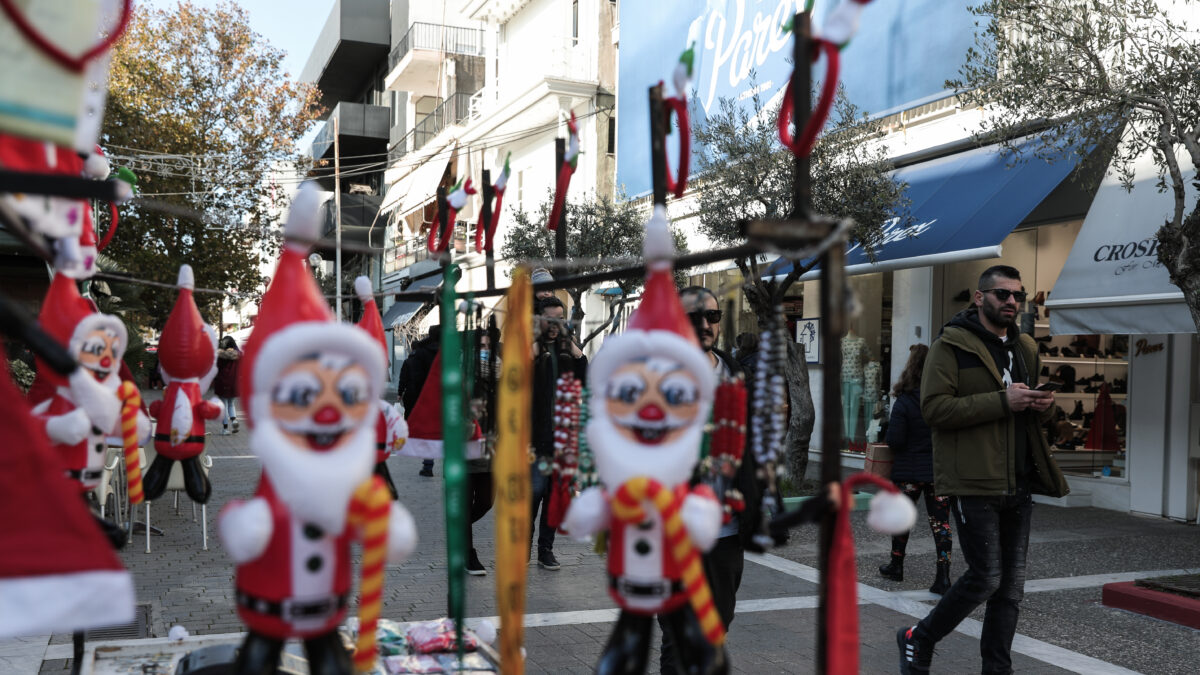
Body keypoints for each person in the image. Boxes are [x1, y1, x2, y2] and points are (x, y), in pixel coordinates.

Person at [897, 265, 1069, 675]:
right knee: (986, 578)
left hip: (1018, 480)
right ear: (980, 298)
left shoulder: (1026, 348)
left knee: (1010, 591)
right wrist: (1002, 401)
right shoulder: (951, 345)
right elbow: (934, 409)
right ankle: (918, 638)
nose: (1011, 302)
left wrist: (1045, 407)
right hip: (974, 480)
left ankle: (997, 669)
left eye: (1018, 296)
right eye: (1002, 294)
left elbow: (1026, 411)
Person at [655, 286, 764, 675]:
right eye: (693, 317)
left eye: (712, 317)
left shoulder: (740, 374)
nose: (705, 325)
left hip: (725, 531)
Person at [878, 344, 953, 595]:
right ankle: (943, 576)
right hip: (938, 472)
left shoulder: (905, 401)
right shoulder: (944, 399)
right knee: (941, 524)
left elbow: (895, 440)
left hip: (909, 473)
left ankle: (896, 566)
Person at [530, 295, 587, 570]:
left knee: (553, 496)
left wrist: (575, 349)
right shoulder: (529, 349)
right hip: (534, 438)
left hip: (561, 438)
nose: (555, 325)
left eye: (559, 320)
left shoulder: (566, 351)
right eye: (550, 319)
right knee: (533, 495)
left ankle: (545, 551)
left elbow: (584, 382)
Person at [465, 324, 500, 575]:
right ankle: (468, 554)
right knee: (466, 503)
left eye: (489, 347)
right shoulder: (462, 374)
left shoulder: (500, 376)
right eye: (481, 347)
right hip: (465, 446)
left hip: (493, 447)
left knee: (487, 501)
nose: (485, 351)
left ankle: (458, 531)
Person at [398, 324, 440, 477]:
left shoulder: (421, 353)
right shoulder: (450, 351)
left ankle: (428, 466)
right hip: (446, 395)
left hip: (427, 394)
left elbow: (415, 376)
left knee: (429, 430)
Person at [214, 335, 241, 435]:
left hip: (222, 383)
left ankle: (225, 429)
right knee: (231, 404)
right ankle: (234, 420)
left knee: (224, 406)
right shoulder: (239, 356)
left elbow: (216, 368)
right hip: (234, 383)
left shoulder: (220, 356)